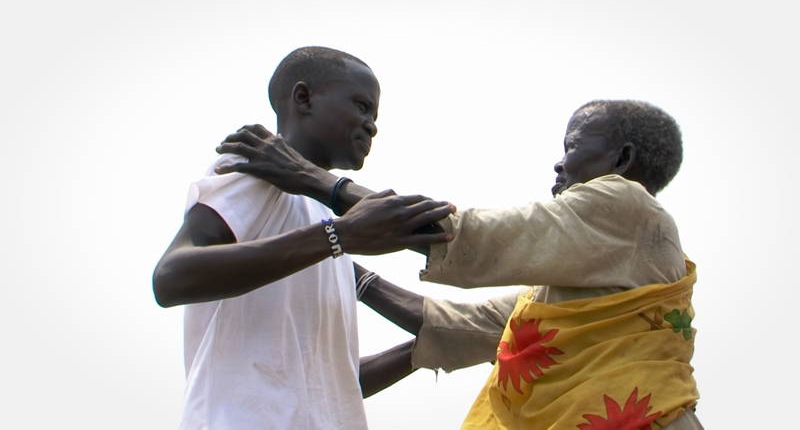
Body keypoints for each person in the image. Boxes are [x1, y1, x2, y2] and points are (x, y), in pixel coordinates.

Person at [216, 99, 703, 429]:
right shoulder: (576, 285)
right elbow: (470, 329)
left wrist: (311, 179)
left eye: (572, 147)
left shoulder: (624, 203)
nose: (559, 163)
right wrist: (343, 266)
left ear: (621, 158)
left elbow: (466, 234)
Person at [152, 46, 455, 430]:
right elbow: (171, 277)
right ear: (303, 98)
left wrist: (425, 350)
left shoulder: (320, 218)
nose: (372, 125)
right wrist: (339, 236)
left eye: (375, 115)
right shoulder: (254, 171)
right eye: (362, 106)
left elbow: (332, 383)